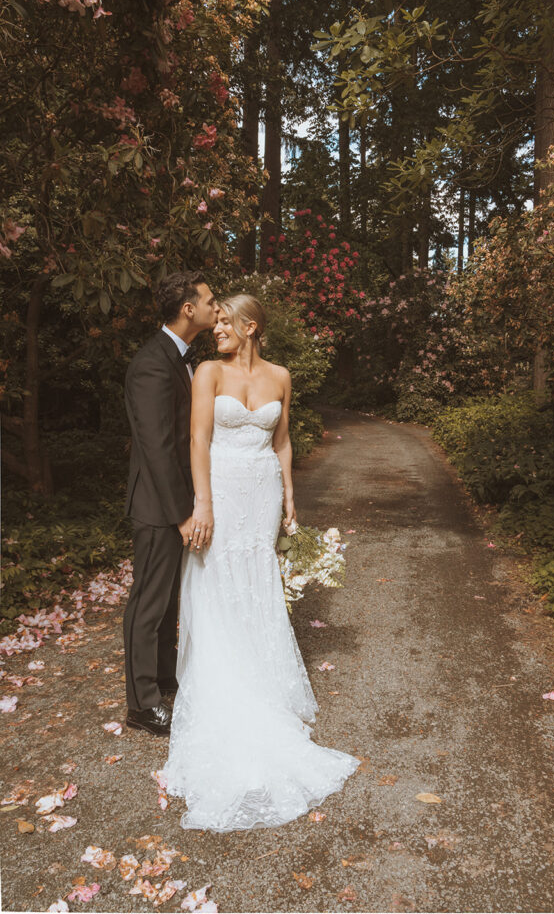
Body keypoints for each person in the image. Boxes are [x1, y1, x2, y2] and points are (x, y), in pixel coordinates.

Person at [163, 293, 359, 831]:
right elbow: (197, 440)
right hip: (221, 490)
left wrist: (290, 495)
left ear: (251, 327)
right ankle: (227, 685)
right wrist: (201, 504)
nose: (216, 329)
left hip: (263, 492)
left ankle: (262, 682)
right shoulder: (207, 372)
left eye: (225, 322)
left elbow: (283, 441)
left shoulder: (280, 376)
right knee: (217, 579)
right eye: (215, 321)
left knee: (256, 577)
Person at [123, 272, 220, 736]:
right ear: (188, 309)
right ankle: (141, 705)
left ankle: (163, 678)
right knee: (149, 601)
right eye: (209, 301)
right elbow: (158, 447)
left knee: (167, 602)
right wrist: (183, 512)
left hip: (175, 499)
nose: (214, 309)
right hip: (158, 503)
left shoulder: (180, 357)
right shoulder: (151, 363)